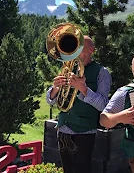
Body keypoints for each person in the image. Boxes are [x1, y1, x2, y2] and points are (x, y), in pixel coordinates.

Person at [46, 36, 112, 173]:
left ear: (91, 50)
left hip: (85, 132)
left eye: (80, 50)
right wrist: (55, 88)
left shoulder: (102, 72)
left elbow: (104, 106)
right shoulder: (68, 68)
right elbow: (50, 101)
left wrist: (83, 89)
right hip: (63, 130)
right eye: (75, 50)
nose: (76, 54)